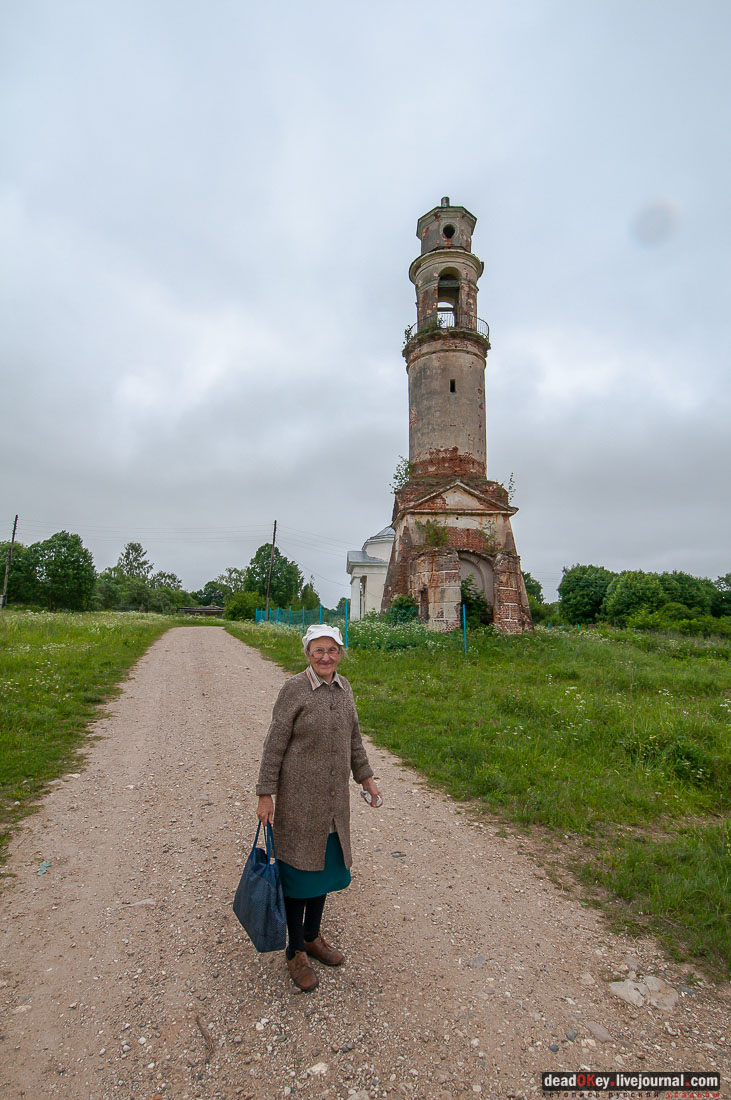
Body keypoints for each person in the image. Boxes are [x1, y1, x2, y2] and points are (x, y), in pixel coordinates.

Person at [256, 623, 382, 992]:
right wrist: (265, 793)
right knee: (299, 876)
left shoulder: (345, 688)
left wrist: (366, 777)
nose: (326, 657)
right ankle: (294, 950)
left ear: (341, 653)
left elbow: (354, 738)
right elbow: (274, 743)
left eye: (332, 650)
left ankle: (312, 936)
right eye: (318, 651)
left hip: (333, 802)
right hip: (299, 802)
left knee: (323, 871)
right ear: (308, 654)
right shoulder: (294, 689)